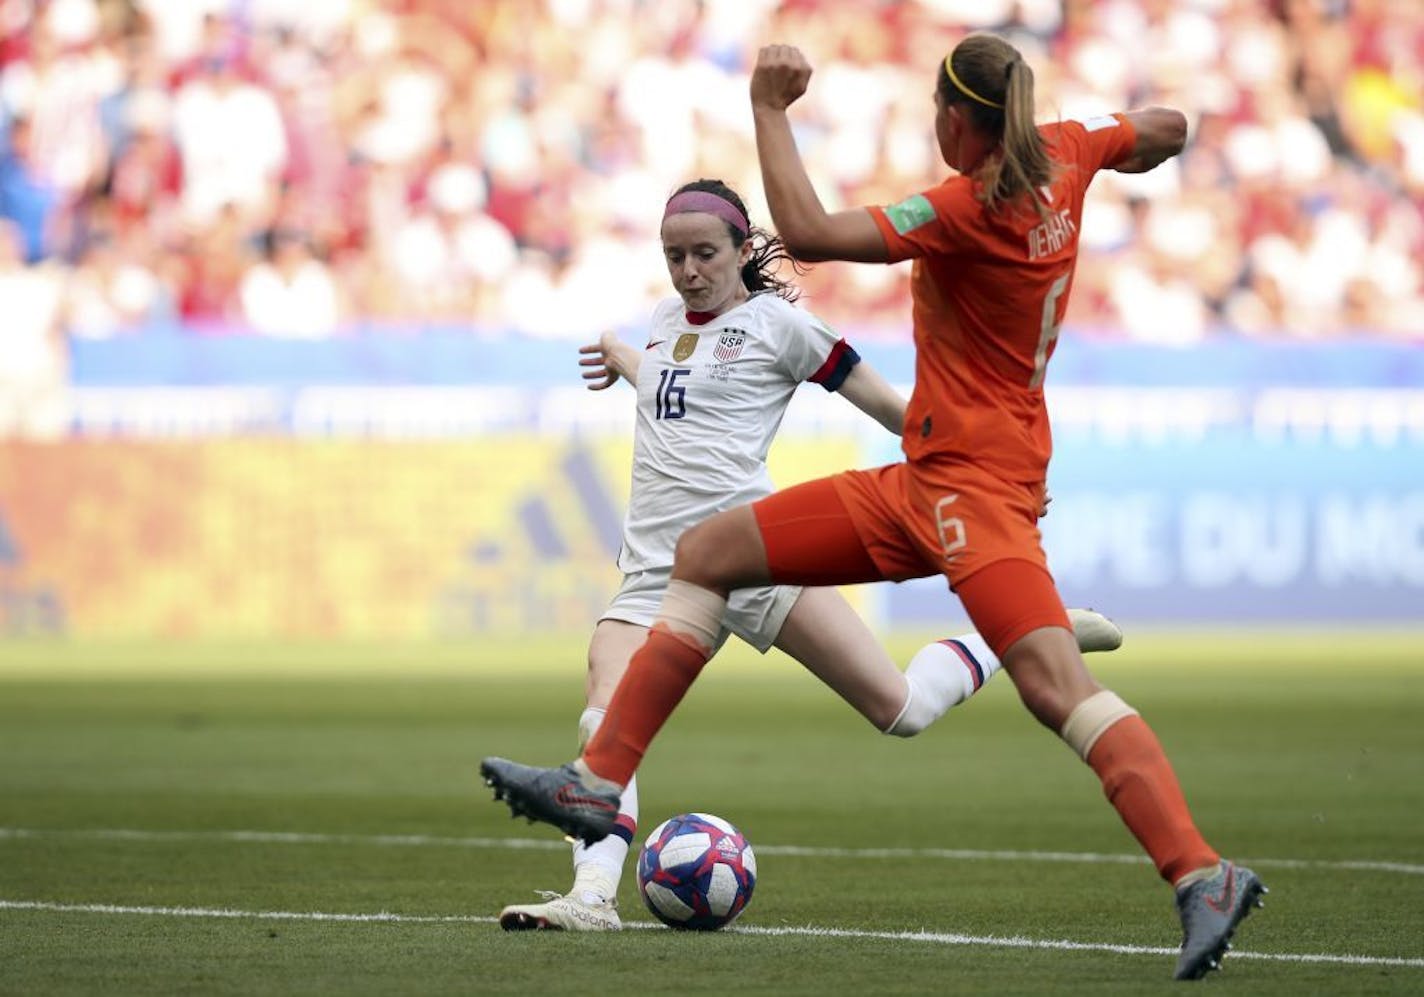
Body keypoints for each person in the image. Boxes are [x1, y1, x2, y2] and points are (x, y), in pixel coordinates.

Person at [495, 177, 1124, 933]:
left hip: (754, 554)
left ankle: (1019, 634)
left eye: (703, 253)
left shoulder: (781, 327)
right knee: (602, 719)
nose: (689, 271)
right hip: (658, 573)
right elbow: (676, 396)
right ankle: (592, 898)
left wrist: (986, 470)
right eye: (674, 256)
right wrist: (625, 357)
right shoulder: (664, 321)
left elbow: (900, 412)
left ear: (740, 249)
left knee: (901, 709)